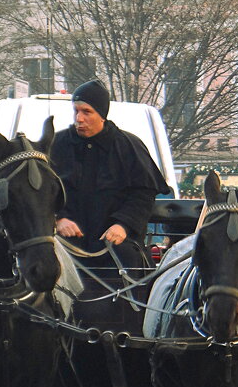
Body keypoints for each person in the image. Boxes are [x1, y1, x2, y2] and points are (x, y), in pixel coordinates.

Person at [50, 79, 171, 268]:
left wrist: (123, 225)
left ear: (102, 115)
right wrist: (58, 218)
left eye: (87, 112)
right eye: (76, 111)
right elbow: (42, 191)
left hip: (116, 243)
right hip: (66, 243)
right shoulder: (57, 145)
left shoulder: (128, 146)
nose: (79, 119)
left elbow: (143, 194)